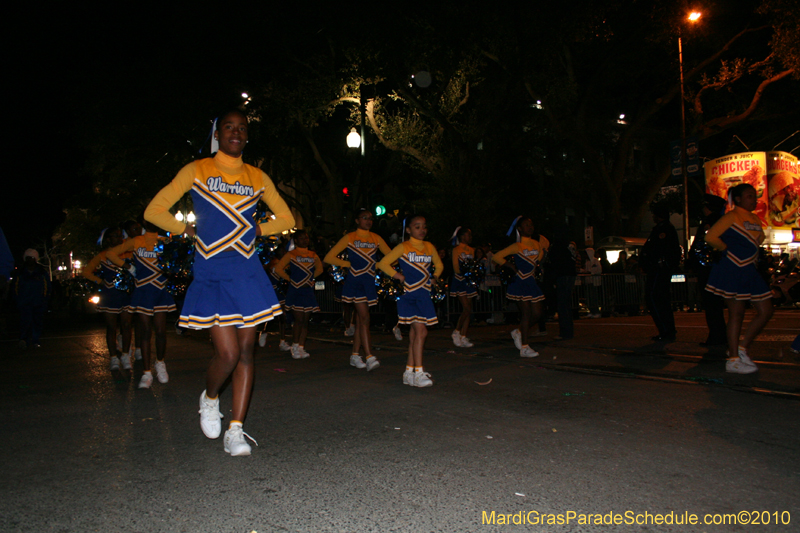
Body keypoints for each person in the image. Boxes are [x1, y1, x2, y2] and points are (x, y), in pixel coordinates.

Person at [144, 109, 295, 456]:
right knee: (226, 354)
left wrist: (260, 228)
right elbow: (154, 210)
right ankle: (210, 398)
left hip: (246, 271)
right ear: (218, 133)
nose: (236, 133)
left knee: (245, 352)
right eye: (229, 127)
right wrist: (184, 228)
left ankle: (236, 430)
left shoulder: (257, 176)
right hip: (212, 269)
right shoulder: (197, 169)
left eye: (242, 128)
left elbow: (286, 217)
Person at [705, 183, 774, 374]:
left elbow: (758, 240)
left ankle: (741, 348)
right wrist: (727, 250)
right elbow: (710, 237)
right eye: (750, 196)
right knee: (737, 313)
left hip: (750, 269)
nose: (755, 199)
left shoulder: (755, 218)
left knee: (766, 309)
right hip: (733, 268)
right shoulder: (731, 216)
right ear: (737, 199)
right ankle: (733, 359)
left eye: (754, 196)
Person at [107, 219, 176, 388]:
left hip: (160, 289)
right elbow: (110, 254)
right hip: (144, 290)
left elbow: (174, 261)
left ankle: (160, 363)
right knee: (145, 331)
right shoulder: (136, 241)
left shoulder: (164, 240)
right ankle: (146, 373)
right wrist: (127, 267)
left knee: (160, 331)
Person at [377, 215, 443, 387]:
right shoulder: (404, 247)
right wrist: (398, 276)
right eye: (417, 226)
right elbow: (383, 263)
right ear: (408, 230)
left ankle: (409, 372)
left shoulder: (429, 247)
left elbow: (439, 265)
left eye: (424, 227)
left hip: (424, 294)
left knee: (416, 333)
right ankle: (419, 373)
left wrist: (435, 276)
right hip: (409, 294)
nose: (422, 230)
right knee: (421, 331)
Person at [324, 209, 392, 371]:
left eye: (370, 219)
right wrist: (349, 265)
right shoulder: (350, 237)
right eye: (364, 218)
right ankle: (369, 356)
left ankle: (355, 355)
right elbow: (329, 257)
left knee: (362, 320)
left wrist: (380, 267)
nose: (368, 221)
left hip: (368, 282)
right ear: (356, 220)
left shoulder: (376, 238)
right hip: (355, 282)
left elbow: (390, 256)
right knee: (364, 317)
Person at [492, 216, 546, 357]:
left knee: (538, 313)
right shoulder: (517, 246)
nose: (530, 227)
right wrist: (510, 265)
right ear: (520, 229)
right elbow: (496, 256)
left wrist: (539, 261)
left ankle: (519, 332)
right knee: (526, 313)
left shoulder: (536, 244)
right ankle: (524, 347)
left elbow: (539, 258)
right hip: (520, 282)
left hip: (531, 282)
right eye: (526, 225)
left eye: (531, 224)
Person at [82, 227, 134, 371]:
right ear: (108, 239)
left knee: (127, 325)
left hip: (126, 294)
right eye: (115, 236)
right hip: (110, 294)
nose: (118, 239)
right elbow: (86, 272)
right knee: (111, 327)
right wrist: (100, 281)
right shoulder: (102, 255)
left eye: (120, 236)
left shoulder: (127, 253)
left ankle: (125, 355)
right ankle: (113, 358)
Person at [275, 229, 323, 359]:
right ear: (295, 240)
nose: (305, 240)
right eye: (302, 238)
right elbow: (278, 268)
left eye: (306, 238)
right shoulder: (291, 254)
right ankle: (295, 346)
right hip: (295, 290)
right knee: (299, 320)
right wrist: (290, 279)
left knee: (306, 320)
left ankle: (301, 347)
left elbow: (320, 269)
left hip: (307, 290)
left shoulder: (313, 255)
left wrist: (311, 279)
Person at [688, 194, 728, 347]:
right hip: (711, 267)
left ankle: (717, 337)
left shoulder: (711, 222)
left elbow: (704, 245)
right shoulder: (717, 221)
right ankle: (717, 336)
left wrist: (695, 260)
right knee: (713, 305)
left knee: (712, 304)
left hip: (709, 267)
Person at [640, 205, 681, 342]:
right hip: (658, 268)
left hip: (658, 269)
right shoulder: (664, 229)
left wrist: (661, 263)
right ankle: (667, 329)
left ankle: (665, 330)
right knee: (660, 299)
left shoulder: (664, 230)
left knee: (654, 297)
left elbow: (660, 249)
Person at [12, 249, 50, 349]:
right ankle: (23, 339)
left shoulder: (41, 272)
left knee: (37, 322)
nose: (30, 260)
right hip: (24, 303)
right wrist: (18, 300)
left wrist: (44, 301)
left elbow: (47, 288)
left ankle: (35, 340)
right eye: (28, 258)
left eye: (32, 258)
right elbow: (15, 288)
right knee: (25, 321)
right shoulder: (20, 273)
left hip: (38, 302)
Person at [258, 244, 292, 352]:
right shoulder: (274, 263)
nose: (284, 253)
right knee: (272, 317)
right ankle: (264, 332)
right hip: (272, 292)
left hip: (279, 292)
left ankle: (282, 341)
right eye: (282, 251)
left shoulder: (283, 263)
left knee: (282, 316)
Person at [449, 226, 477, 347]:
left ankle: (464, 336)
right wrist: (463, 274)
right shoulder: (456, 249)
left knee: (469, 309)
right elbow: (456, 266)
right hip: (460, 280)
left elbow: (473, 265)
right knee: (466, 308)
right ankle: (456, 331)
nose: (470, 237)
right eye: (468, 235)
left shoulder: (472, 250)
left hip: (468, 281)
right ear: (461, 236)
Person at [547, 227, 577, 340]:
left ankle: (565, 332)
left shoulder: (557, 246)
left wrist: (552, 278)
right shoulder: (568, 246)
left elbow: (554, 262)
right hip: (570, 275)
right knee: (566, 304)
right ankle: (568, 331)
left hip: (562, 275)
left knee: (562, 304)